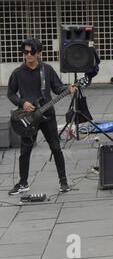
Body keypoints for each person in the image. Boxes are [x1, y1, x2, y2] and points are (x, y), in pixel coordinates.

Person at [7, 38, 77, 195]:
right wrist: (22, 102)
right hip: (28, 118)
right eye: (25, 52)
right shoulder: (17, 73)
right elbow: (10, 93)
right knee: (25, 151)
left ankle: (63, 181)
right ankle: (23, 182)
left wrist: (68, 88)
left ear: (39, 53)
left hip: (47, 116)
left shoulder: (47, 70)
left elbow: (58, 88)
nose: (28, 55)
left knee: (56, 147)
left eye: (32, 52)